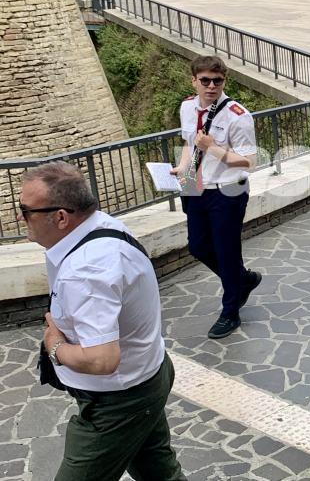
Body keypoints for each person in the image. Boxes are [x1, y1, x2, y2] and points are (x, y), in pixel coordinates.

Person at [23, 162, 185, 481]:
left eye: (26, 210)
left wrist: (54, 346)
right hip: (147, 377)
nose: (20, 217)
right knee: (158, 471)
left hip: (118, 402)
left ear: (60, 217)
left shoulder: (86, 271)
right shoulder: (101, 227)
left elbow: (102, 360)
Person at [172, 56, 260, 339]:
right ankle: (242, 280)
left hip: (228, 189)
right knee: (197, 246)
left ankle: (230, 310)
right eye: (205, 81)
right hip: (195, 185)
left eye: (217, 81)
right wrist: (183, 168)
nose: (211, 86)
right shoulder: (187, 106)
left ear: (225, 81)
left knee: (226, 250)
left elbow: (248, 161)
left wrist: (212, 148)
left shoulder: (237, 115)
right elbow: (189, 142)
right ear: (194, 81)